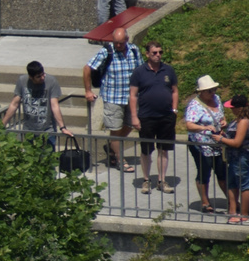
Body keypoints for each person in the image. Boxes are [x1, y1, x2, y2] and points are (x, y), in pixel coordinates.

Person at [83, 28, 139, 171]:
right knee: (115, 129)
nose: (118, 46)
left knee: (131, 125)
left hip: (131, 97)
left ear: (127, 40)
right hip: (113, 97)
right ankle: (120, 160)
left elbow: (141, 69)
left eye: (120, 43)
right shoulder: (107, 51)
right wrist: (88, 91)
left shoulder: (134, 50)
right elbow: (87, 68)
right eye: (115, 43)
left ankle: (111, 147)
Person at [129, 39, 179, 195]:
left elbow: (175, 91)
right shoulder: (139, 72)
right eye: (155, 53)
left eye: (160, 52)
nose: (158, 55)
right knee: (146, 150)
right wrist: (134, 117)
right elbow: (133, 95)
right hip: (146, 116)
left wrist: (174, 109)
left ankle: (161, 180)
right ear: (147, 54)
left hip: (165, 117)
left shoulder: (168, 70)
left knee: (163, 150)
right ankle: (145, 180)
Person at [1, 60, 74, 148]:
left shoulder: (52, 81)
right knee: (31, 159)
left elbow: (54, 105)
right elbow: (14, 104)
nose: (42, 77)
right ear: (31, 77)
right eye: (38, 76)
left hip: (48, 130)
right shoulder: (22, 81)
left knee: (48, 158)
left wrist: (62, 128)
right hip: (29, 130)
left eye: (43, 74)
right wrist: (3, 124)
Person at [182, 75, 227, 213]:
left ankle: (231, 200)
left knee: (222, 171)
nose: (212, 92)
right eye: (209, 91)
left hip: (217, 142)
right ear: (201, 92)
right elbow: (189, 125)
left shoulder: (217, 99)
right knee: (204, 171)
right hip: (200, 144)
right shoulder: (194, 105)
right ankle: (205, 202)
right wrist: (203, 128)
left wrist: (224, 121)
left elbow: (221, 115)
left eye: (214, 89)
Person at [216, 95, 249, 224]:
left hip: (242, 157)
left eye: (233, 108)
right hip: (232, 157)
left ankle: (244, 214)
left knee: (243, 184)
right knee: (232, 183)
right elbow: (233, 137)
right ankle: (233, 212)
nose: (231, 110)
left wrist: (221, 139)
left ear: (239, 108)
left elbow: (238, 142)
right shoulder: (237, 120)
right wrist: (225, 135)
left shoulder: (244, 121)